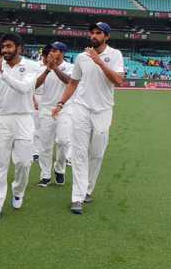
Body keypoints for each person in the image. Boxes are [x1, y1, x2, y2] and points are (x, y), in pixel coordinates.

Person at [52, 22, 124, 214]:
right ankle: (77, 196)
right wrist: (61, 103)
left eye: (98, 33)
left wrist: (100, 62)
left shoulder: (115, 55)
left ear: (106, 36)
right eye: (92, 32)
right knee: (79, 153)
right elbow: (73, 83)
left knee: (97, 153)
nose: (94, 35)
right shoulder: (82, 57)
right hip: (81, 108)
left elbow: (118, 80)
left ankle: (88, 189)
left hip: (103, 110)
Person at [0, 33, 41, 220]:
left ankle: (18, 190)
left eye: (9, 46)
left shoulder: (32, 66)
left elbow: (24, 88)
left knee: (24, 162)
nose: (5, 50)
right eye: (3, 47)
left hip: (24, 118)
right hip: (1, 118)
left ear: (19, 48)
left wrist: (1, 72)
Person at [35, 42, 74, 187]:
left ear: (63, 53)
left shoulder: (71, 67)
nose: (52, 52)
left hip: (64, 109)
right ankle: (45, 175)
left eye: (56, 50)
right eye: (51, 50)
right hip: (46, 109)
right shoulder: (42, 67)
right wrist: (47, 70)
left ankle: (59, 169)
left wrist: (54, 67)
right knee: (45, 144)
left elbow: (69, 82)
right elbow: (35, 85)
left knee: (63, 141)